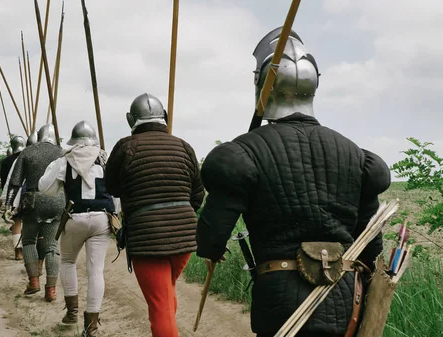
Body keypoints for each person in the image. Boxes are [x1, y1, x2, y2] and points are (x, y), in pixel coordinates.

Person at [195, 27, 392, 337]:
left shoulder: (244, 152)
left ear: (264, 87)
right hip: (342, 293)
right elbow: (371, 246)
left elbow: (210, 240)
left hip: (280, 297)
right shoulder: (355, 154)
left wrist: (212, 249)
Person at [105, 93, 205, 337]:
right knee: (165, 295)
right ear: (165, 118)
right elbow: (197, 195)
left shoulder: (125, 147)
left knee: (160, 306)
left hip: (147, 238)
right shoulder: (184, 146)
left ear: (131, 119)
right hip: (184, 239)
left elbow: (112, 188)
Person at [39, 121, 121, 336]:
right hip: (102, 219)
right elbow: (117, 195)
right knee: (96, 271)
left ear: (73, 140)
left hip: (74, 217)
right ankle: (92, 326)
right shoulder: (105, 159)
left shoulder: (65, 161)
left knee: (67, 261)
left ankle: (72, 312)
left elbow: (45, 188)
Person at [5, 124, 66, 302]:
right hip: (57, 201)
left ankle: (33, 282)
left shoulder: (28, 152)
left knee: (29, 241)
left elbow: (15, 182)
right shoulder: (62, 153)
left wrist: (9, 205)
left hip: (33, 201)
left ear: (38, 136)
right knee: (52, 247)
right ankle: (51, 290)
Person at [0, 135, 26, 260]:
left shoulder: (5, 161)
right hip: (27, 193)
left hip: (12, 195)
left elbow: (5, 181)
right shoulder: (27, 158)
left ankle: (18, 252)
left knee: (16, 222)